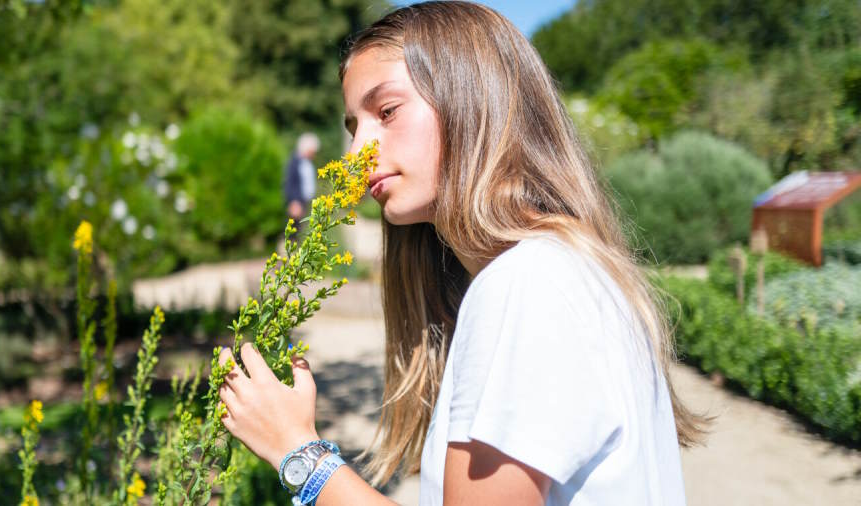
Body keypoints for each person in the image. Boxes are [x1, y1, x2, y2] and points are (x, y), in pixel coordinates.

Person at [216, 2, 707, 506]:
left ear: (473, 102)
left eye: (386, 111)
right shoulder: (550, 272)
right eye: (353, 126)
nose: (357, 152)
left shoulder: (527, 283)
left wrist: (298, 453)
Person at [284, 132, 321, 238]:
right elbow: (290, 183)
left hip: (304, 202)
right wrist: (293, 201)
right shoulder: (294, 162)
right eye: (313, 151)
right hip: (297, 202)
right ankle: (286, 251)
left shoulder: (307, 162)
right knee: (292, 230)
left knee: (300, 230)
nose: (314, 154)